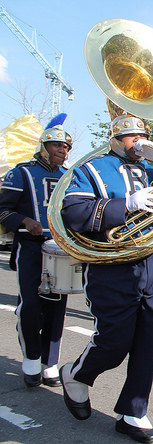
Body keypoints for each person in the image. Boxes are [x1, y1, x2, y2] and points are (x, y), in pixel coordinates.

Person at [58, 113, 153, 442]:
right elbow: (73, 212)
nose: (138, 143)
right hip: (113, 267)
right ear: (116, 139)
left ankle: (133, 411)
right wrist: (125, 205)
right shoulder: (92, 168)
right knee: (115, 340)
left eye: (142, 137)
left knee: (148, 340)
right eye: (131, 138)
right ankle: (77, 373)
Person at [0, 114, 72, 388]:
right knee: (30, 305)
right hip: (30, 248)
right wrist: (24, 220)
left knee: (57, 308)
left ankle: (49, 362)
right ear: (43, 145)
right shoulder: (21, 172)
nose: (62, 151)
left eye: (65, 147)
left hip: (59, 251)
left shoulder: (69, 176)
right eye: (56, 145)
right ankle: (31, 358)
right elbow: (3, 209)